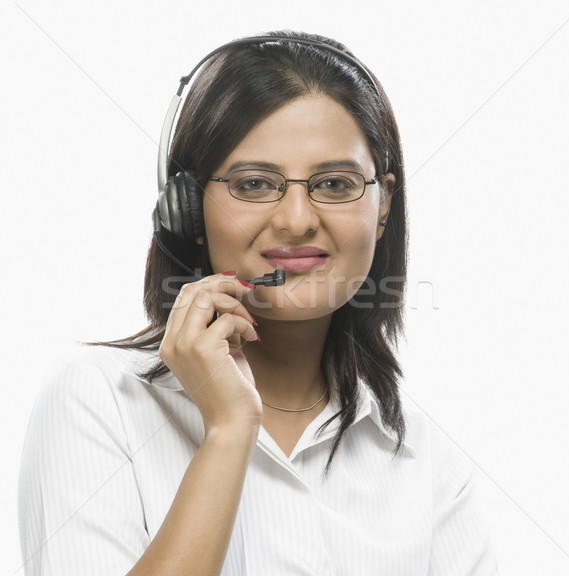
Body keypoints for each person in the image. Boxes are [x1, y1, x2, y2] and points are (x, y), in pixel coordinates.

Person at [18, 31, 497, 575]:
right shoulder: (98, 402)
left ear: (382, 206)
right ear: (188, 209)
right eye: (254, 184)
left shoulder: (426, 463)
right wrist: (227, 430)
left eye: (336, 183)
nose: (297, 219)